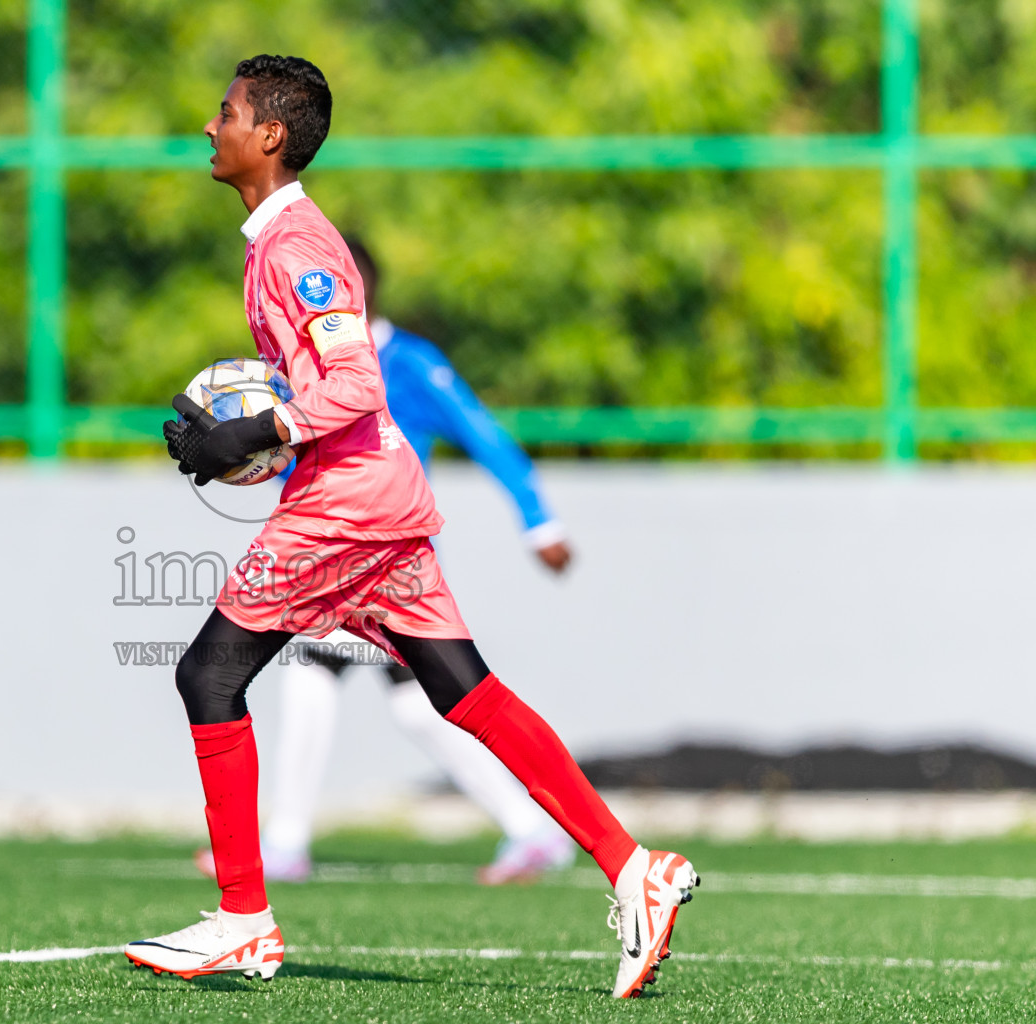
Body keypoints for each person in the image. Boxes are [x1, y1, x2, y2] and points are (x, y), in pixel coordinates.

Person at [127, 54, 698, 1000]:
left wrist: (256, 430)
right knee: (461, 689)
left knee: (208, 672)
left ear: (268, 135)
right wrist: (245, 439)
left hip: (343, 503)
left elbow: (353, 385)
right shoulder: (277, 238)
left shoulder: (297, 245)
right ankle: (635, 869)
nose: (208, 126)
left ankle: (243, 921)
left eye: (223, 112)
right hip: (378, 494)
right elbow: (326, 383)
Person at [200, 238, 579, 887]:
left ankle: (286, 848)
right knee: (395, 699)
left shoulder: (406, 363)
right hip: (330, 550)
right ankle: (533, 831)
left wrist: (539, 520)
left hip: (380, 553)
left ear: (348, 291)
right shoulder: (302, 369)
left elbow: (482, 434)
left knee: (325, 679)